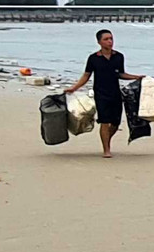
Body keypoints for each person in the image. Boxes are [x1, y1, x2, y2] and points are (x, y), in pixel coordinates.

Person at [61, 29, 144, 158]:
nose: (110, 41)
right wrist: (74, 88)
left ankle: (107, 140)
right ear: (99, 42)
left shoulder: (118, 56)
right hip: (101, 94)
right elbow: (86, 75)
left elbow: (121, 74)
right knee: (104, 121)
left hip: (116, 93)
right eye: (106, 39)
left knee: (115, 124)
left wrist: (136, 77)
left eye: (111, 38)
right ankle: (106, 149)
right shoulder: (94, 58)